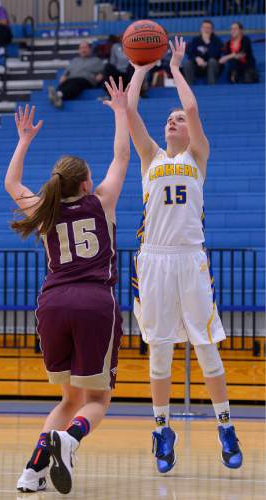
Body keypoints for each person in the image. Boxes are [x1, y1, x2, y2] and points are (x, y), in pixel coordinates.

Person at [5, 77, 130, 494]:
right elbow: (122, 157)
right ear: (84, 184)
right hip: (94, 303)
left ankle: (31, 472)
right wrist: (120, 112)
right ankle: (71, 438)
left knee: (68, 399)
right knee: (96, 402)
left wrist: (23, 140)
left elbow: (10, 183)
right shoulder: (102, 201)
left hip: (52, 305)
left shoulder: (44, 208)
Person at [127, 37, 243, 474]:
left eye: (179, 119)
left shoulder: (197, 156)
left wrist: (174, 68)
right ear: (162, 132)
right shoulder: (149, 158)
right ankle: (161, 429)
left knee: (206, 347)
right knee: (159, 350)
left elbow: (192, 110)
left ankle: (225, 425)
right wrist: (140, 68)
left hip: (190, 259)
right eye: (170, 119)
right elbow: (131, 114)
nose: (175, 120)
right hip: (154, 260)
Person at [48, 41, 104, 108]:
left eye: (85, 48)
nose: (83, 50)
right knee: (64, 83)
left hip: (86, 80)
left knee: (77, 82)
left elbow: (103, 71)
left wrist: (101, 74)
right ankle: (58, 97)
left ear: (90, 49)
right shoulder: (74, 60)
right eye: (81, 48)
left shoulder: (97, 60)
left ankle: (58, 95)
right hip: (71, 80)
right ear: (79, 50)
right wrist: (64, 75)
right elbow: (67, 71)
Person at [183, 19, 223, 85]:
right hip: (198, 66)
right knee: (188, 63)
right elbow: (190, 52)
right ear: (201, 29)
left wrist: (207, 42)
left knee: (212, 61)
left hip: (211, 67)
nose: (206, 30)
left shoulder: (216, 41)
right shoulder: (196, 40)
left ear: (212, 30)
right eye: (204, 27)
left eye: (208, 28)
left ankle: (211, 86)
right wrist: (196, 58)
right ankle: (189, 87)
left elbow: (216, 54)